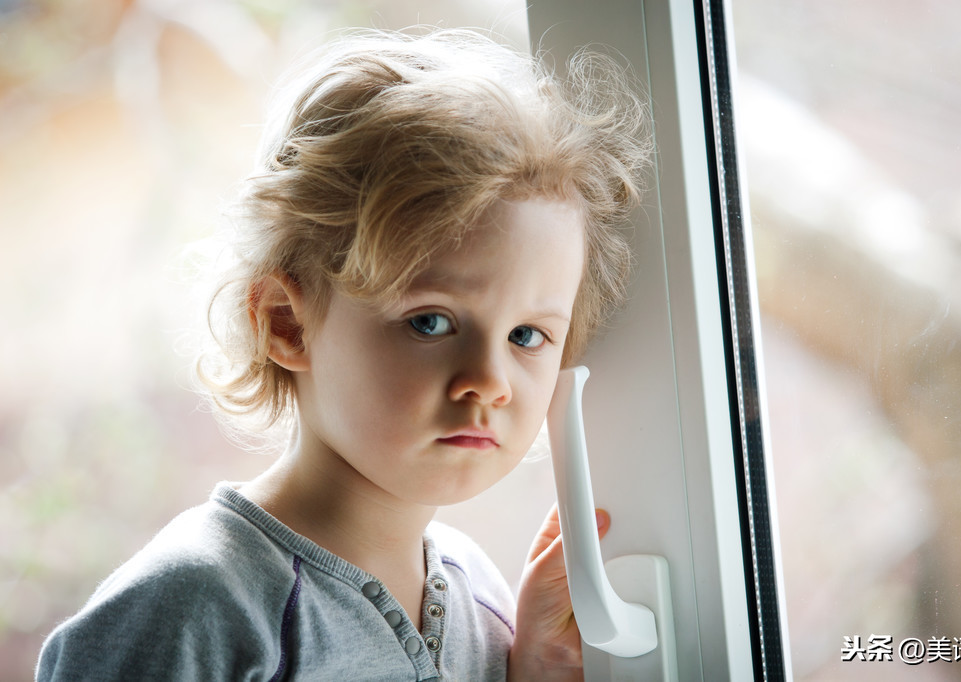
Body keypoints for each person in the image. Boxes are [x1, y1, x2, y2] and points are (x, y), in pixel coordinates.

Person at [36, 27, 651, 681]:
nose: (489, 382)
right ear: (286, 325)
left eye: (527, 336)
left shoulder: (485, 604)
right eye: (431, 321)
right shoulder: (195, 607)